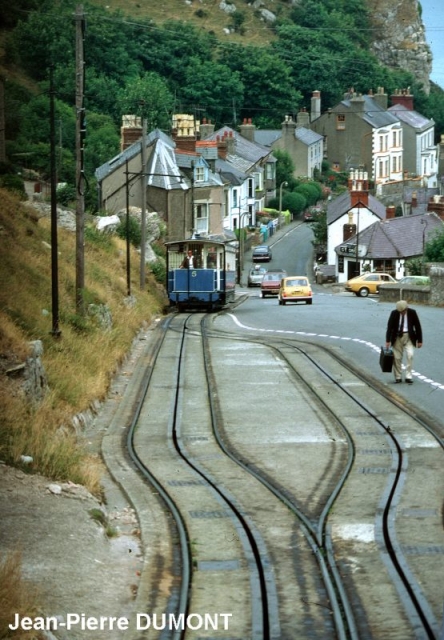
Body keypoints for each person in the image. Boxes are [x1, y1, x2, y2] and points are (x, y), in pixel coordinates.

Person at [385, 300, 423, 384]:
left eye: (403, 311)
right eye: (400, 311)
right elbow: (389, 327)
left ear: (406, 308)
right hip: (397, 337)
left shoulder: (412, 313)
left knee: (410, 355)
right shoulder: (394, 313)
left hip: (409, 336)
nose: (401, 313)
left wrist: (420, 340)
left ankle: (408, 376)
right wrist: (387, 340)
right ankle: (398, 377)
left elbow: (417, 326)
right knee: (397, 358)